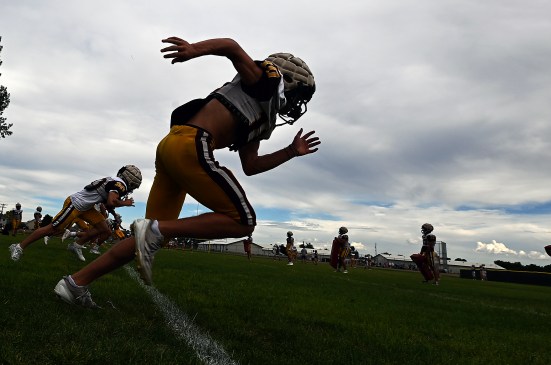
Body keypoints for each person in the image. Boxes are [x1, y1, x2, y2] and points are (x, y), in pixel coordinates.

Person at [53, 36, 319, 308]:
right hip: (193, 143)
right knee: (243, 219)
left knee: (149, 238)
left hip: (173, 147)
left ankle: (75, 283)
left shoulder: (262, 112)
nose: (296, 106)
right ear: (290, 82)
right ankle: (153, 231)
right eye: (299, 96)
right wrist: (194, 50)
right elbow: (231, 46)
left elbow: (251, 166)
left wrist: (290, 152)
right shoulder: (265, 80)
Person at [9, 165, 141, 262]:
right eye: (134, 185)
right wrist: (126, 203)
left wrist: (114, 213)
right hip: (76, 204)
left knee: (104, 229)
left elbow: (107, 203)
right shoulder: (120, 184)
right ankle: (19, 246)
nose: (133, 188)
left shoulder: (114, 180)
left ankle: (76, 245)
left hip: (86, 207)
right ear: (131, 181)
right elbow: (112, 201)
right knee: (52, 229)